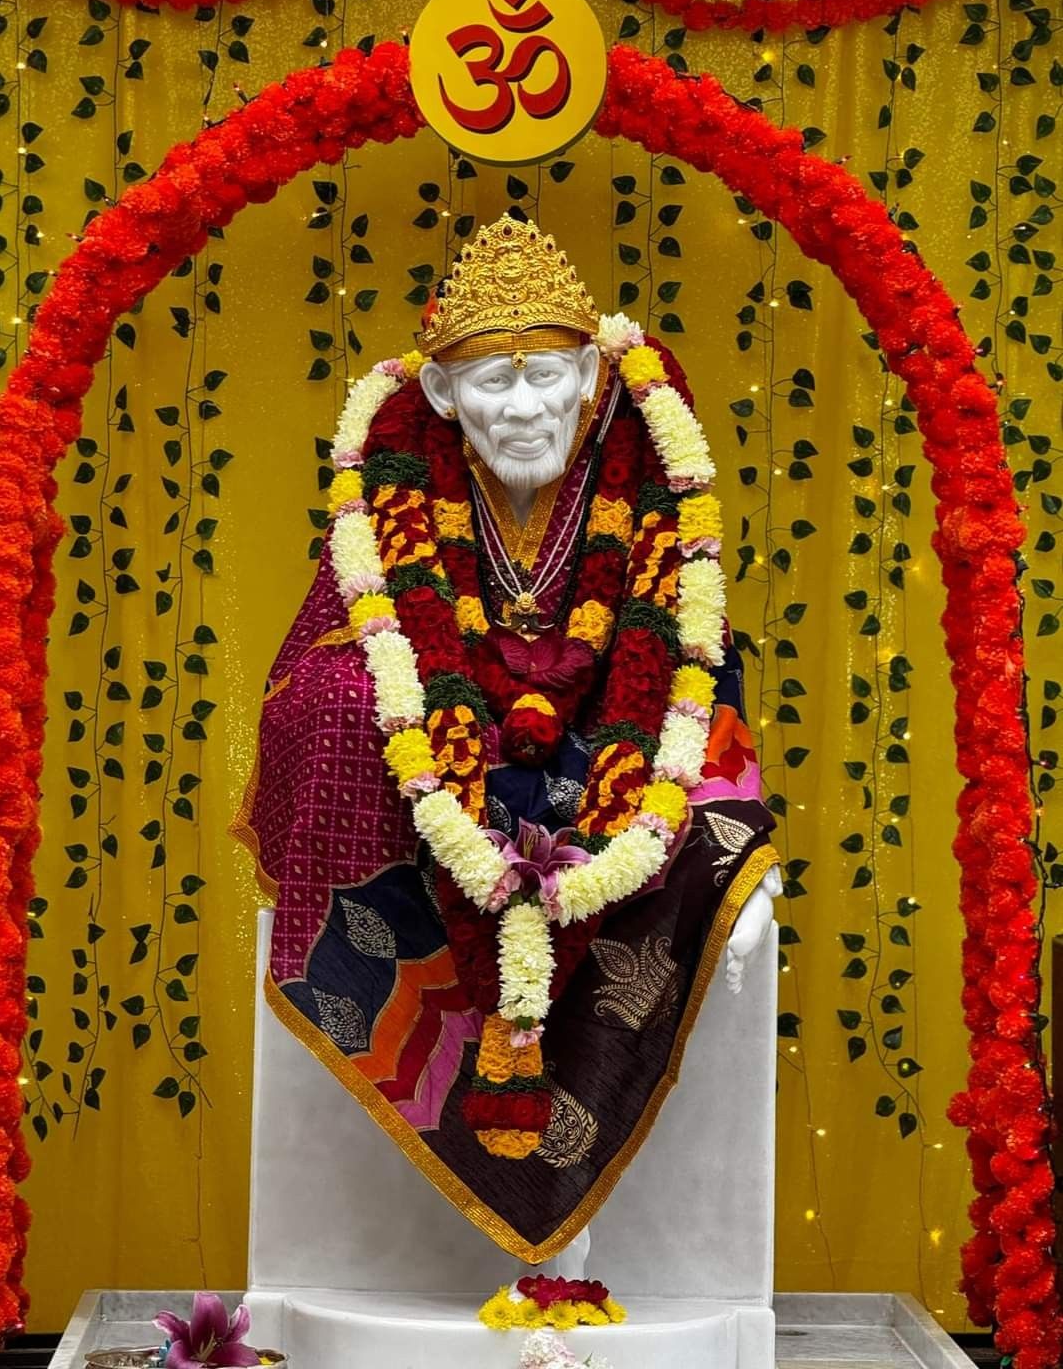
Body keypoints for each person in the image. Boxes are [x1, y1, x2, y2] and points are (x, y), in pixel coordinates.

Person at [233, 213, 780, 1264]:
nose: (524, 410)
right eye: (494, 383)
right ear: (444, 395)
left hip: (607, 724)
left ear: (591, 379)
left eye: (547, 379)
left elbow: (687, 640)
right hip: (438, 741)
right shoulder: (396, 458)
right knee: (337, 701)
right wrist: (411, 724)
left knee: (693, 737)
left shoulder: (646, 443)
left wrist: (732, 831)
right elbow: (346, 630)